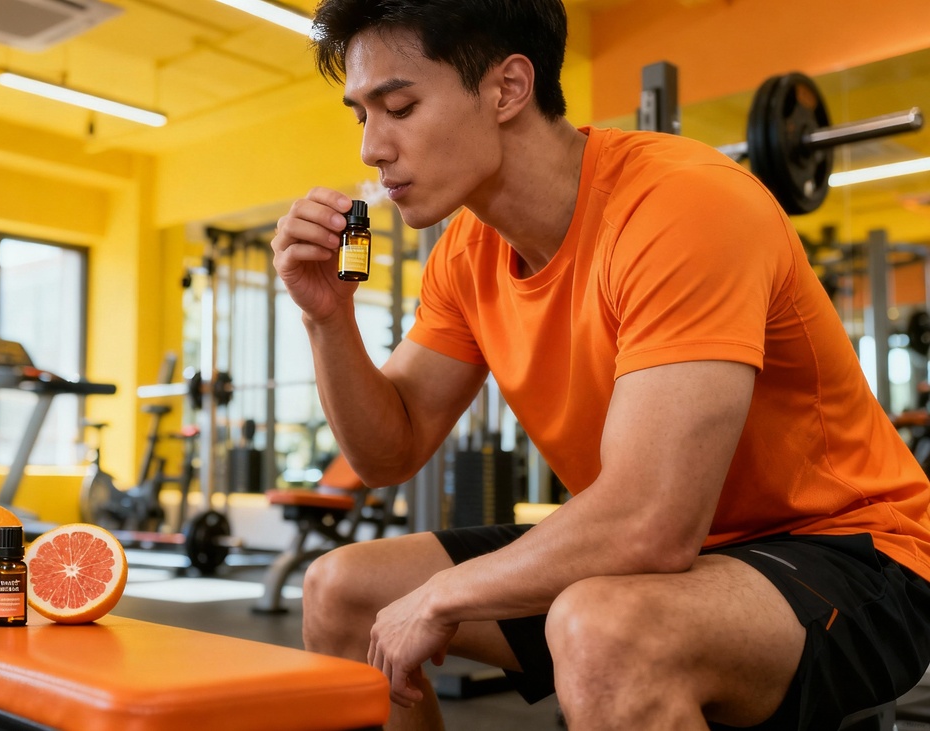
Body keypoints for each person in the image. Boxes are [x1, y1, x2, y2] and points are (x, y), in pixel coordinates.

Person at [268, 1, 930, 729]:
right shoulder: (467, 253)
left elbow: (651, 523)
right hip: (673, 549)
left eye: (398, 105)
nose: (371, 147)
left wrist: (440, 595)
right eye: (361, 114)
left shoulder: (682, 204)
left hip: (858, 552)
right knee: (339, 587)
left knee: (602, 628)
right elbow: (388, 451)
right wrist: (326, 319)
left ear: (507, 89)